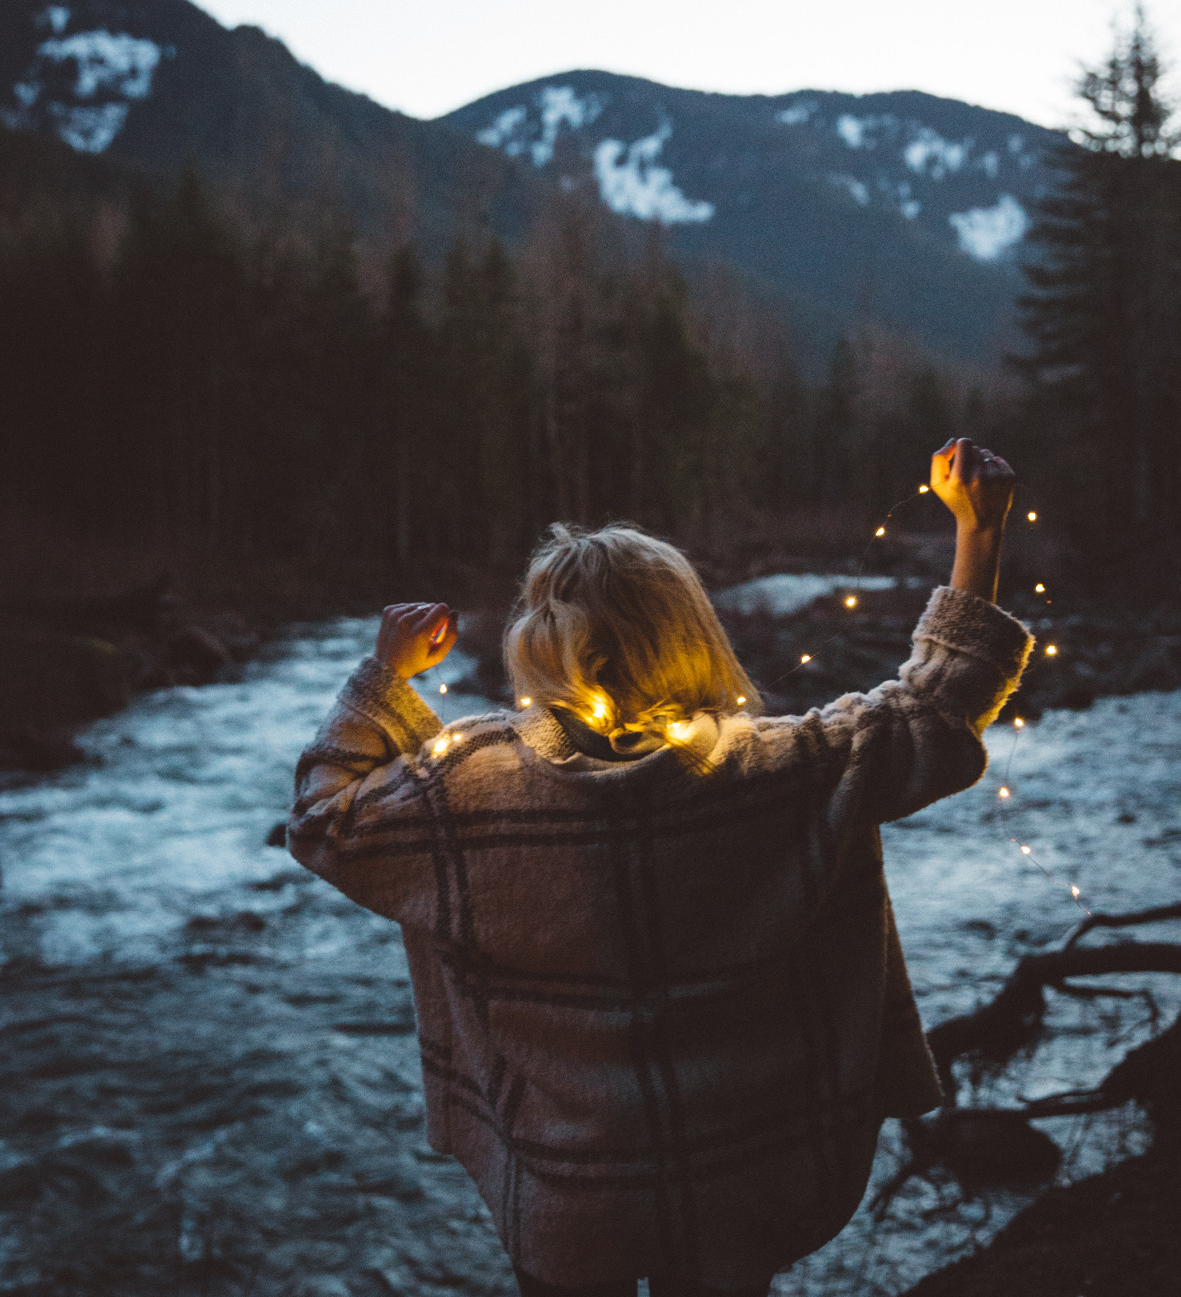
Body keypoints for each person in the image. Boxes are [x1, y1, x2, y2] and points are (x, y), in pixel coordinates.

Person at [289, 437, 1031, 1297]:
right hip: (741, 1182)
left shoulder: (464, 783)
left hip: (564, 1197)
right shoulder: (779, 769)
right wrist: (980, 532)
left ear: (542, 644)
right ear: (688, 630)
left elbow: (320, 821)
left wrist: (383, 676)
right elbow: (937, 710)